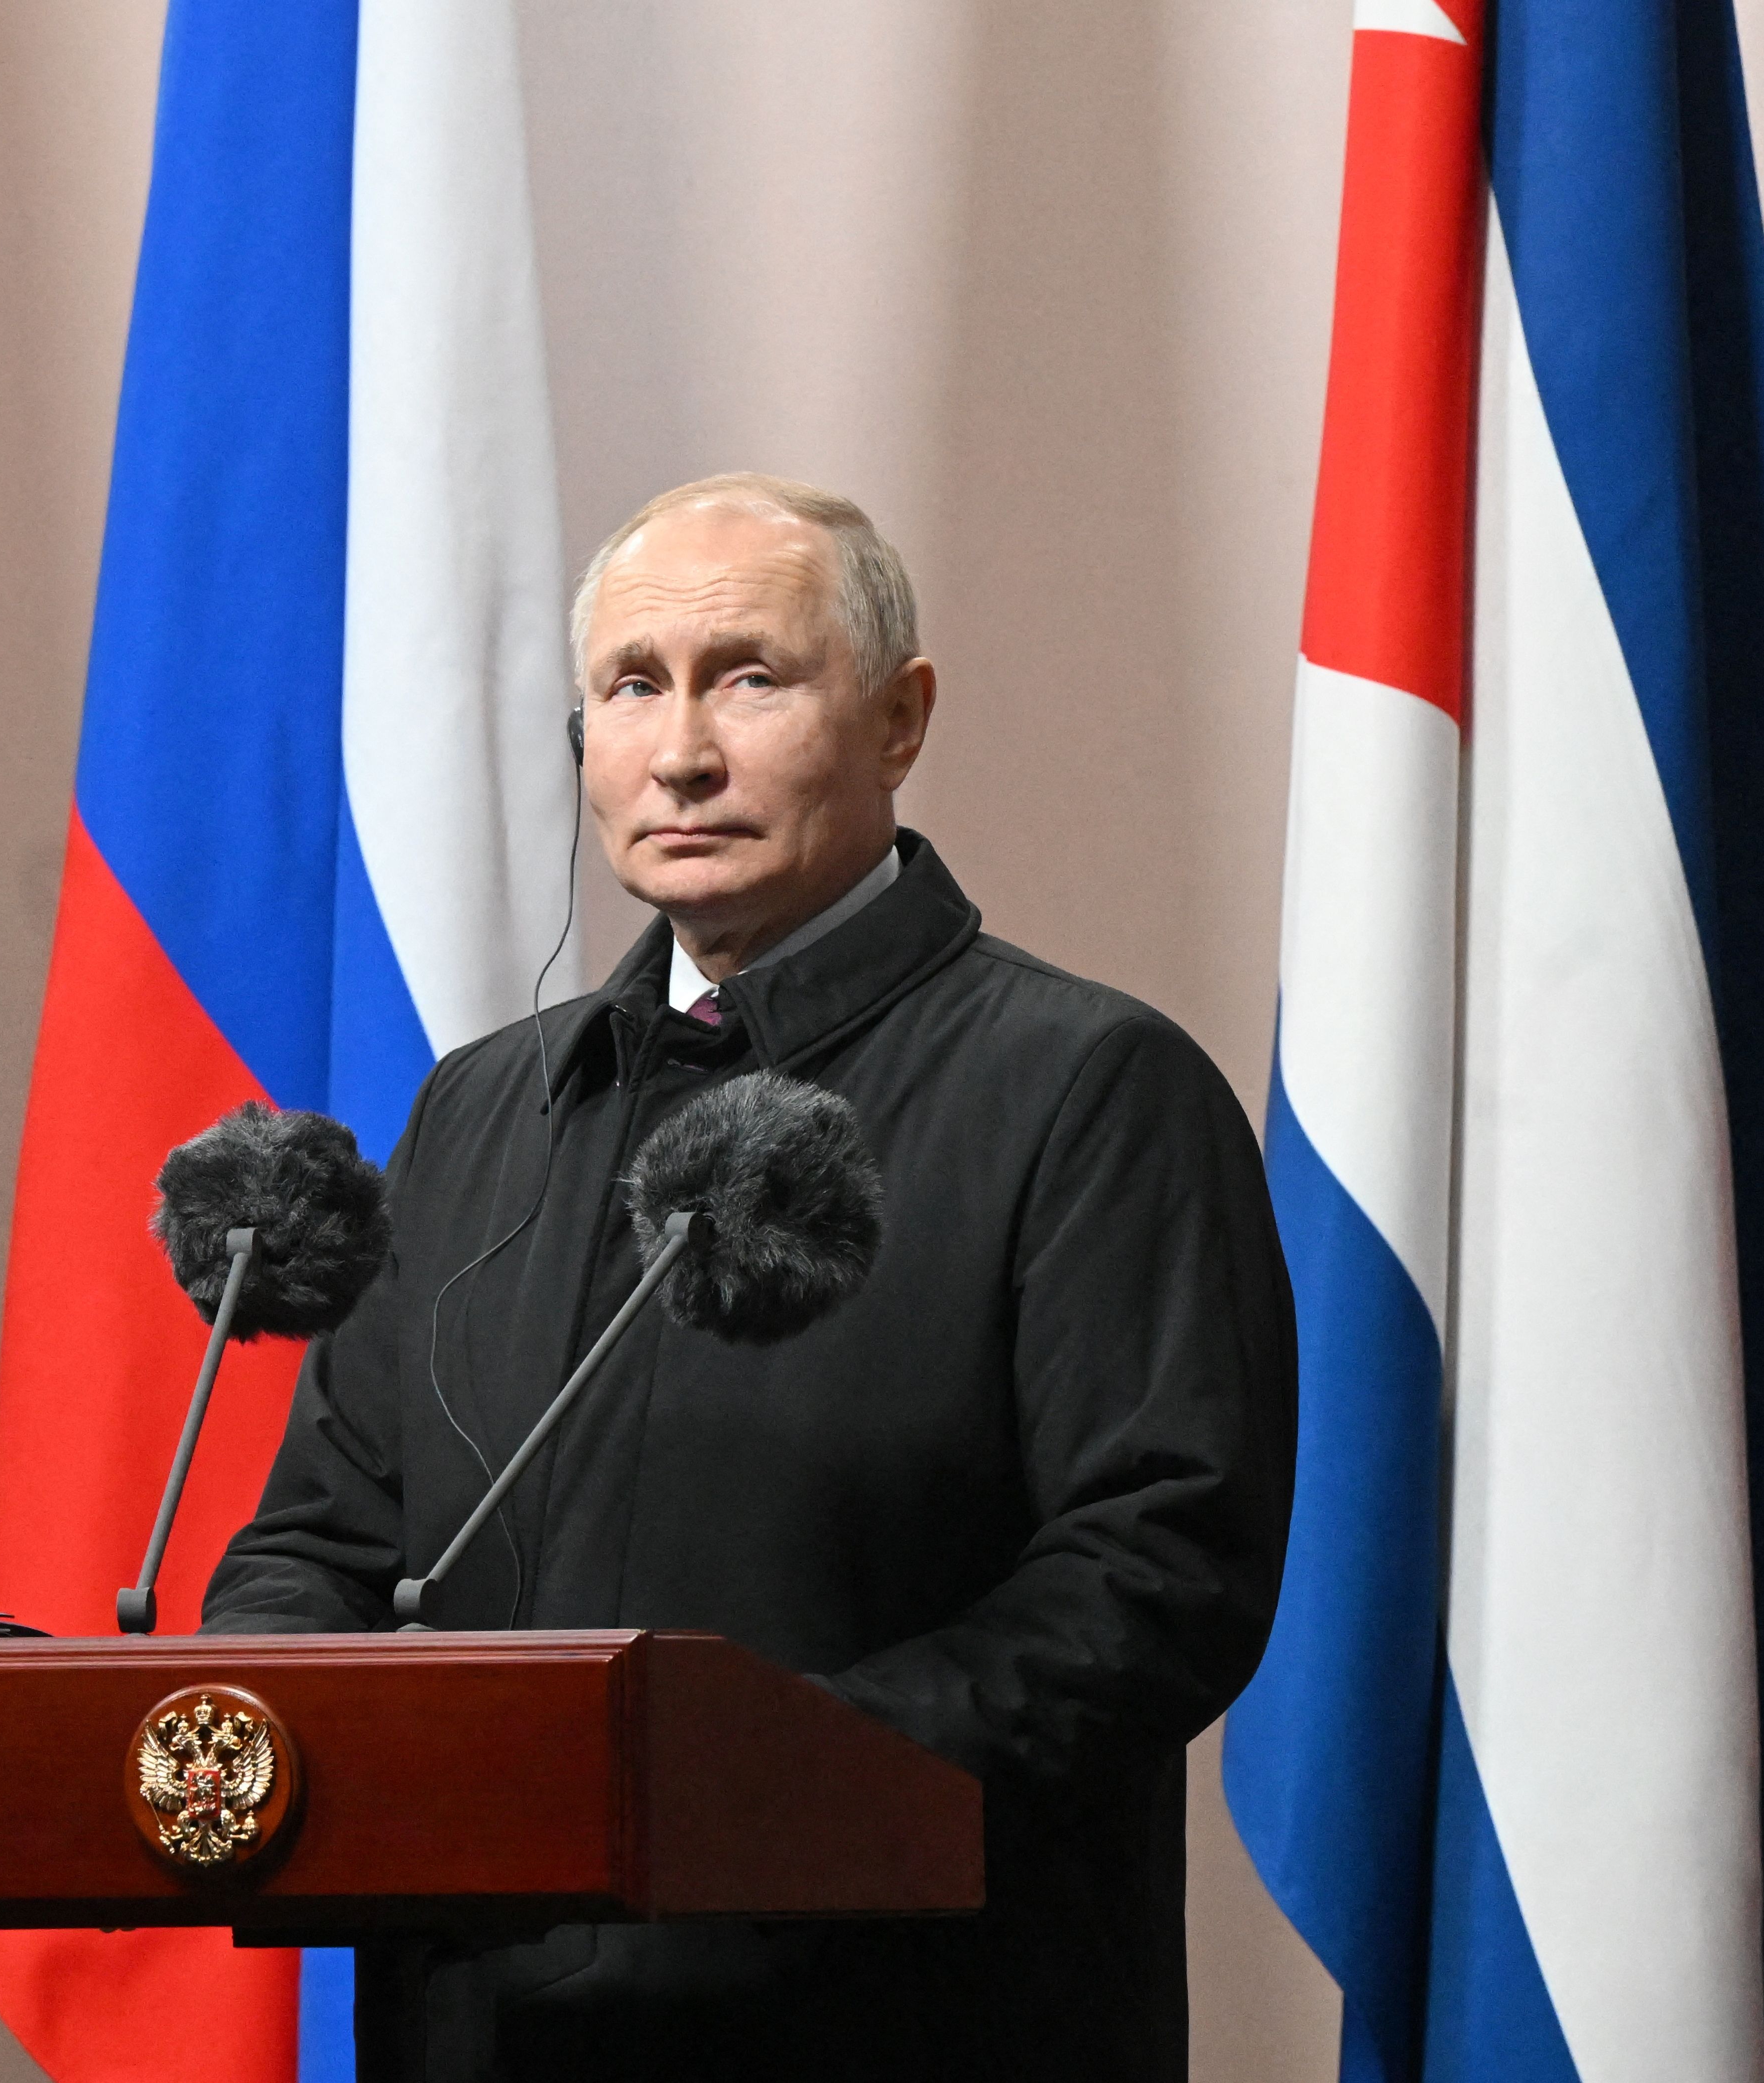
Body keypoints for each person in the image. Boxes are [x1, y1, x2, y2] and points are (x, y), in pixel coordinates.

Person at [204, 473, 1297, 2081]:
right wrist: (272, 1717)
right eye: (632, 688)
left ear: (901, 719)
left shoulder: (1091, 1089)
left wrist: (754, 1782)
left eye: (751, 679)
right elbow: (324, 1539)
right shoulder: (479, 1111)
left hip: (902, 2031)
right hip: (485, 2036)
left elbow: (1156, 1577)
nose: (683, 752)